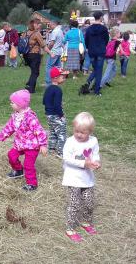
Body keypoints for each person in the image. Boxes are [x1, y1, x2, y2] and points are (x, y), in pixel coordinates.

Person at [0, 89, 48, 192]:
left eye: (12, 102)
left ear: (20, 104)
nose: (10, 104)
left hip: (32, 146)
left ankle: (32, 184)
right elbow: (9, 128)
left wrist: (43, 145)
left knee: (28, 164)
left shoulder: (30, 118)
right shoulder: (15, 116)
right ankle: (18, 170)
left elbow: (39, 131)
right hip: (20, 144)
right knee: (11, 155)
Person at [62, 112, 101, 243]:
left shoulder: (93, 141)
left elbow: (95, 155)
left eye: (82, 132)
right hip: (73, 178)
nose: (78, 134)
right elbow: (67, 158)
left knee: (89, 202)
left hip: (87, 178)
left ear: (90, 131)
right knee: (74, 203)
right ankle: (70, 228)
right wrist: (84, 163)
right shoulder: (70, 142)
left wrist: (96, 162)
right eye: (76, 131)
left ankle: (86, 222)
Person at [43, 67, 69, 158]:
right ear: (55, 78)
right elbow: (57, 105)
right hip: (55, 115)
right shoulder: (58, 90)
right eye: (62, 77)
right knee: (62, 133)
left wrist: (51, 104)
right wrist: (61, 115)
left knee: (53, 132)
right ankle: (61, 153)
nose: (64, 78)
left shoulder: (48, 88)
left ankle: (51, 150)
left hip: (48, 114)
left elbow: (44, 101)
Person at [84, 12, 110, 96]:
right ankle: (96, 91)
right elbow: (106, 40)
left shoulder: (89, 29)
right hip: (100, 51)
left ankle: (88, 82)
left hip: (91, 52)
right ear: (101, 17)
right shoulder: (104, 29)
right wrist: (102, 46)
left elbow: (86, 40)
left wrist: (89, 48)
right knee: (99, 71)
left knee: (96, 69)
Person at [25, 19, 51, 93]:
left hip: (26, 55)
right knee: (35, 72)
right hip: (34, 55)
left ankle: (29, 84)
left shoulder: (26, 33)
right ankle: (31, 89)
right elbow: (43, 45)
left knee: (34, 71)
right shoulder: (37, 33)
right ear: (35, 24)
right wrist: (50, 53)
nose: (40, 25)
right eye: (39, 24)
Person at [45, 20, 65, 86]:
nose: (49, 26)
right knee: (57, 68)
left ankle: (48, 83)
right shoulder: (60, 31)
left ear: (54, 24)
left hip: (53, 52)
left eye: (50, 24)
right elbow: (62, 42)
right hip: (59, 52)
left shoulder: (54, 31)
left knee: (49, 68)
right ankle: (57, 82)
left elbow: (52, 43)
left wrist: (48, 49)